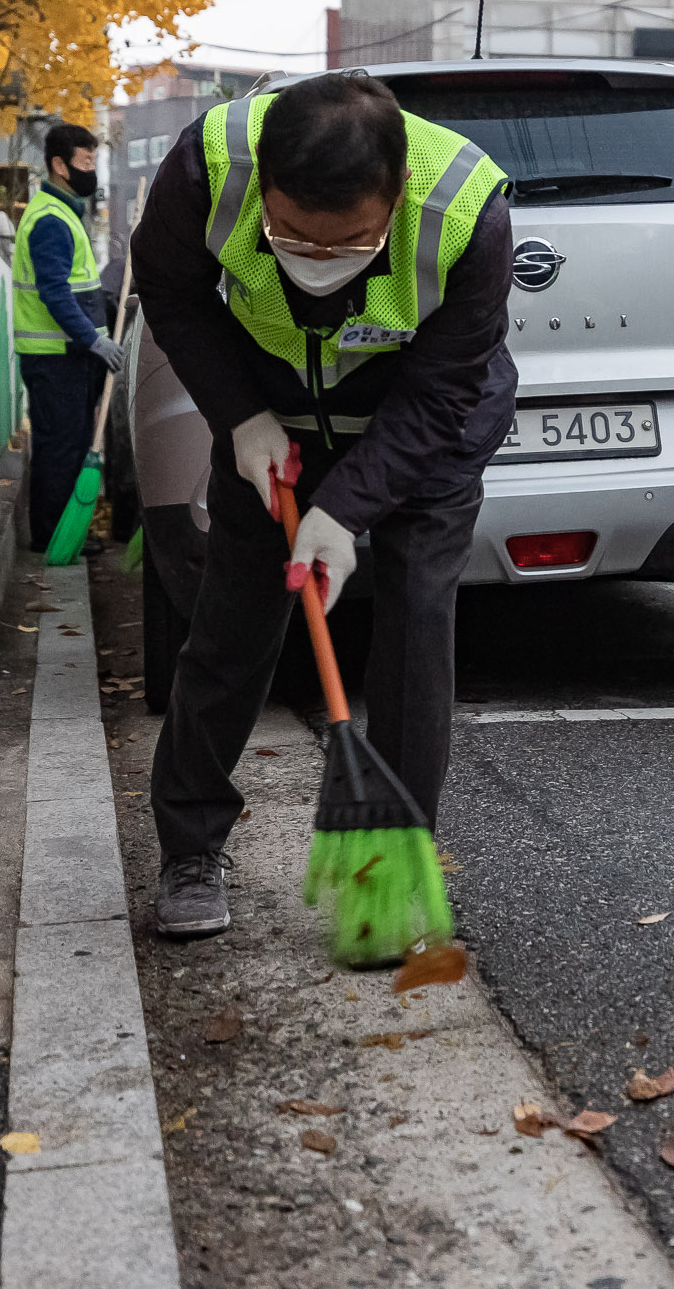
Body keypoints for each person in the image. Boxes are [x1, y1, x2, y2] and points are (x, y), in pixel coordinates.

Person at [131, 72, 515, 940]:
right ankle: (189, 848)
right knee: (232, 622)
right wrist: (240, 415)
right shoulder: (206, 167)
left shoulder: (467, 213)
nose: (312, 264)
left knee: (416, 623)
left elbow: (444, 388)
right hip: (270, 421)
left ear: (394, 195)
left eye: (346, 247)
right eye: (289, 235)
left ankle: (389, 872)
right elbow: (172, 291)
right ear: (264, 182)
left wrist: (342, 513)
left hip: (422, 427)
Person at [12, 122, 124, 550]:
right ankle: (51, 540)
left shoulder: (64, 213)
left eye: (94, 160)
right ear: (60, 165)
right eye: (86, 161)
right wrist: (94, 340)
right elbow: (55, 294)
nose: (91, 170)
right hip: (54, 358)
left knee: (71, 445)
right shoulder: (51, 221)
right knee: (60, 449)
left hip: (67, 358)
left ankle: (63, 536)